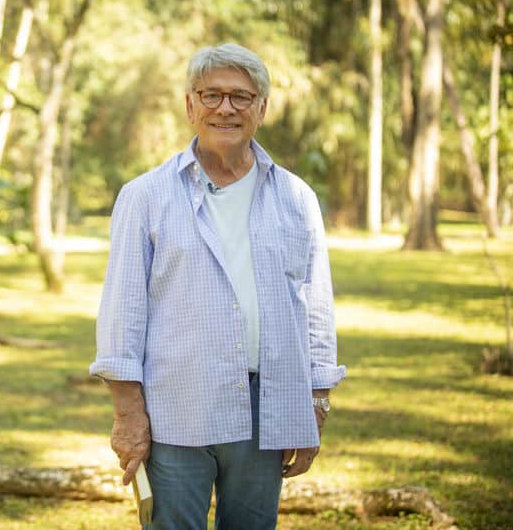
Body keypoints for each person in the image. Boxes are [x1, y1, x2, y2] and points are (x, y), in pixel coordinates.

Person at [89, 43, 346, 530]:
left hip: (266, 406)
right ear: (190, 106)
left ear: (262, 109)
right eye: (211, 95)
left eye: (242, 97)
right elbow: (122, 315)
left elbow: (316, 312)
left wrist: (315, 404)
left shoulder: (297, 198)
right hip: (173, 407)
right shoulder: (145, 196)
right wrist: (128, 415)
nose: (225, 108)